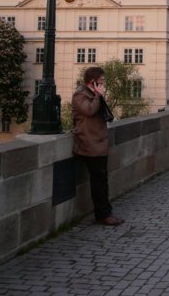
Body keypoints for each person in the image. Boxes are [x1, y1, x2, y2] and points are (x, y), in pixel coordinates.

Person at [72, 67, 123, 226]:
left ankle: (106, 212)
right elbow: (89, 111)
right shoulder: (80, 95)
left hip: (98, 143)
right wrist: (98, 95)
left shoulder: (92, 94)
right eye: (100, 80)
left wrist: (97, 95)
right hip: (89, 144)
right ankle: (102, 215)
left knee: (102, 181)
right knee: (98, 182)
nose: (102, 82)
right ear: (92, 81)